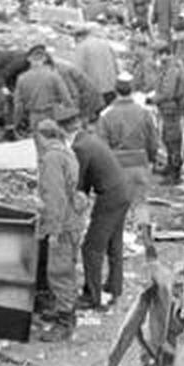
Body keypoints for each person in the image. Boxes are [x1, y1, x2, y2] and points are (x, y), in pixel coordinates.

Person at [97, 73, 161, 257]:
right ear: (132, 89)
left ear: (116, 90)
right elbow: (153, 141)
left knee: (117, 205)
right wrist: (150, 158)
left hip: (117, 166)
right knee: (141, 202)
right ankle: (146, 237)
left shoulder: (106, 115)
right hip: (140, 162)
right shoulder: (144, 113)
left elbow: (102, 147)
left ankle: (118, 241)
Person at [70, 118, 130, 310]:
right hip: (123, 190)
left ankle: (92, 296)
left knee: (91, 248)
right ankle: (114, 286)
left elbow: (80, 182)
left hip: (110, 196)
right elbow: (88, 178)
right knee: (114, 243)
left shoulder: (79, 147)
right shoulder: (91, 139)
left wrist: (75, 205)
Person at [32, 119, 82, 340]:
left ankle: (65, 321)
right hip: (72, 220)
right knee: (66, 269)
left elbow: (55, 198)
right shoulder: (65, 152)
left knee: (59, 272)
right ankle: (64, 311)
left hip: (62, 224)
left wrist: (52, 230)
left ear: (42, 137)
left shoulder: (51, 158)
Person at [12, 45, 77, 134]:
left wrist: (17, 123)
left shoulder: (22, 78)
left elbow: (18, 106)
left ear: (29, 59)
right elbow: (66, 97)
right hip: (52, 114)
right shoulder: (53, 75)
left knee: (40, 143)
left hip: (34, 117)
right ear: (44, 59)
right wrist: (73, 112)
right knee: (55, 143)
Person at [150, 42, 184, 182]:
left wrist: (152, 100)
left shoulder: (172, 69)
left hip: (171, 108)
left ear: (165, 54)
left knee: (173, 140)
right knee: (167, 138)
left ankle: (175, 171)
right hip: (168, 108)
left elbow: (168, 92)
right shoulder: (168, 67)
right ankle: (170, 165)